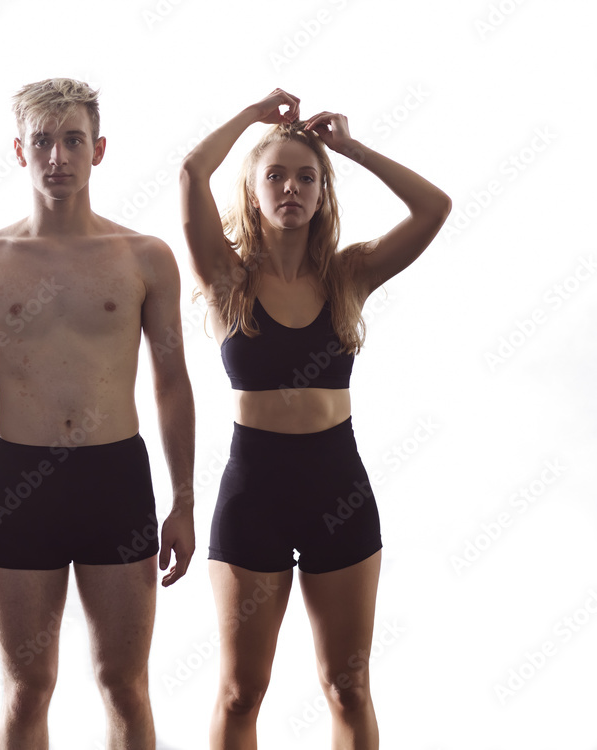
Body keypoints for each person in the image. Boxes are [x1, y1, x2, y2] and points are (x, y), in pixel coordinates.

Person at [179, 88, 451, 748]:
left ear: (322, 193)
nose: (292, 188)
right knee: (241, 691)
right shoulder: (225, 279)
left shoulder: (348, 275)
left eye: (306, 177)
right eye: (275, 175)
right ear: (253, 189)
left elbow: (433, 207)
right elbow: (191, 173)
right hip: (253, 493)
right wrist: (250, 118)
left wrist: (349, 148)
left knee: (347, 686)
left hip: (338, 487)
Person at [0, 78, 196, 749]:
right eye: (43, 141)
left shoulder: (144, 257)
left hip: (115, 477)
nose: (58, 155)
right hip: (20, 479)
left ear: (99, 150)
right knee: (28, 688)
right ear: (20, 153)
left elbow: (172, 382)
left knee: (123, 684)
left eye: (73, 140)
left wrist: (184, 500)